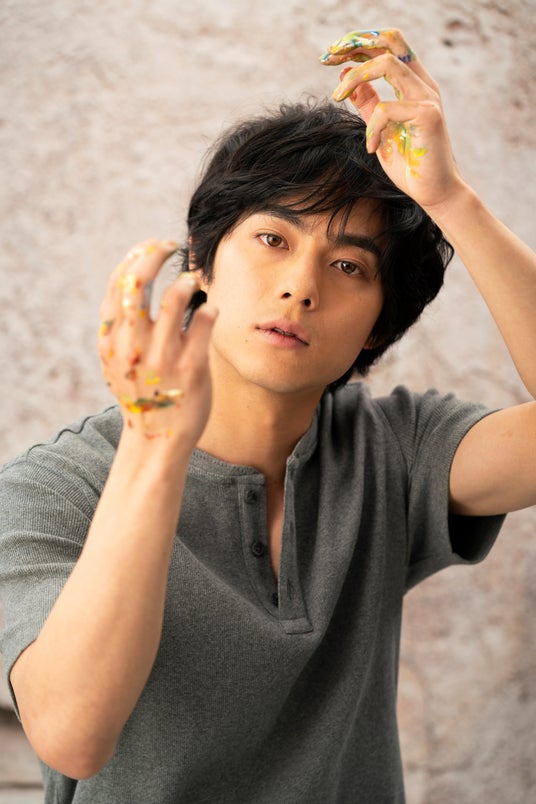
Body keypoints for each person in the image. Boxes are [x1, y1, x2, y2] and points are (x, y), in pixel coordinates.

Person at [0, 27, 535, 804]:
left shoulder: (395, 451)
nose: (301, 286)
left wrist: (452, 201)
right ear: (201, 260)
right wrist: (156, 444)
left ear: (380, 324)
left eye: (348, 265)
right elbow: (73, 736)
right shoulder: (52, 490)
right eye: (272, 238)